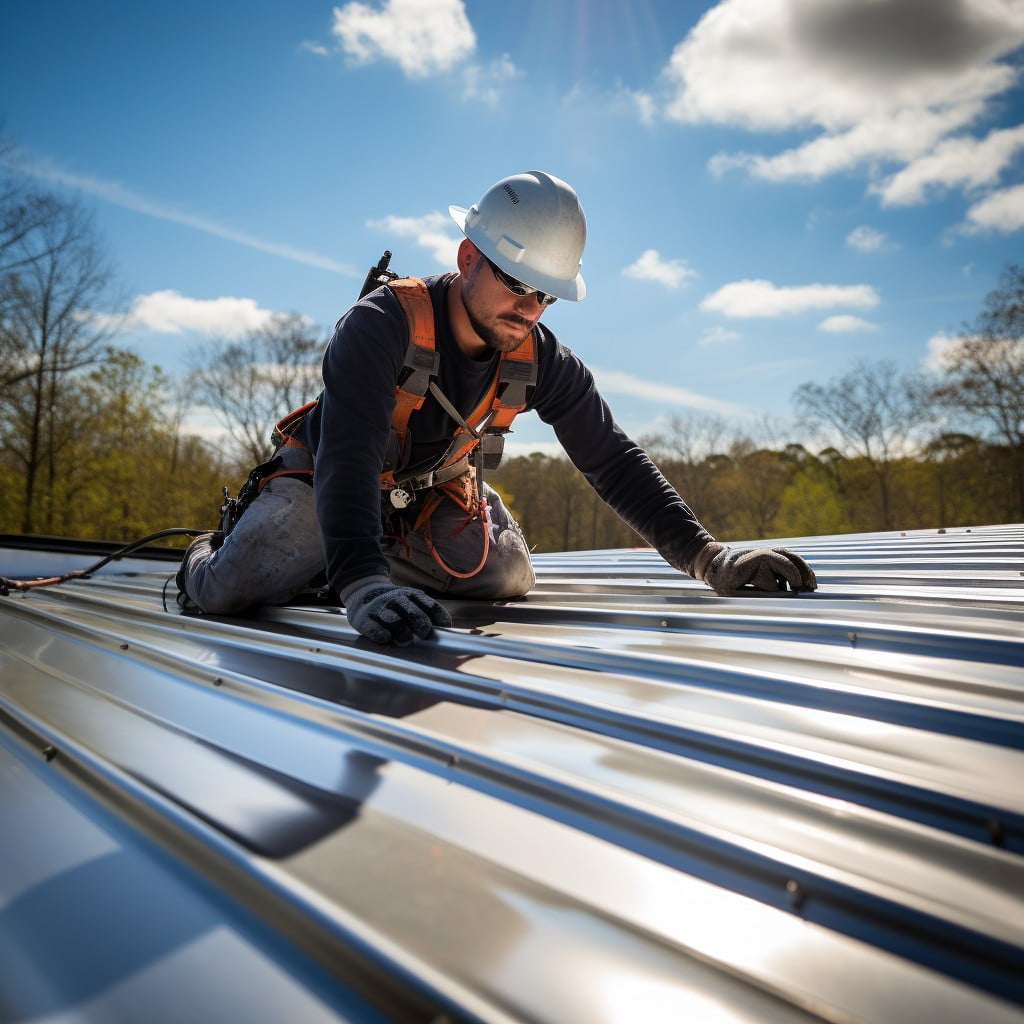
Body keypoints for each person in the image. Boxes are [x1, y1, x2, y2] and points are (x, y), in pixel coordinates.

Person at [176, 171, 817, 643]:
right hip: (326, 483)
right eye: (517, 284)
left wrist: (710, 559)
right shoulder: (380, 325)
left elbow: (613, 461)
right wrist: (365, 587)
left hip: (424, 497)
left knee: (506, 574)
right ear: (467, 259)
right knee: (236, 587)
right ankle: (220, 557)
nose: (531, 310)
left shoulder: (538, 357)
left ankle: (336, 562)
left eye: (547, 296)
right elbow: (347, 456)